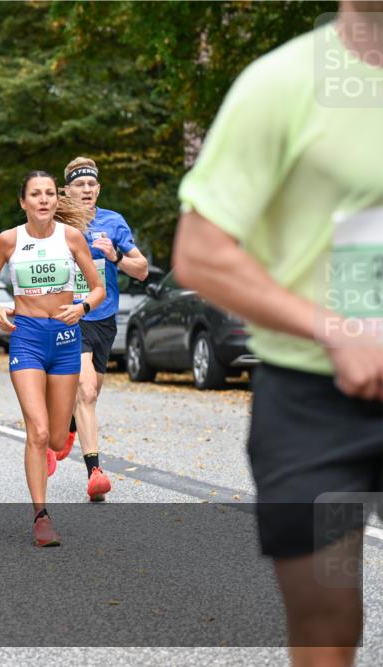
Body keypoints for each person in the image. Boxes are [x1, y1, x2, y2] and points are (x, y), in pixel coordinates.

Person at [173, 3, 382, 664]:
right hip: (313, 401)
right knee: (328, 617)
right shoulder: (281, 84)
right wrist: (336, 330)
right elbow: (200, 254)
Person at [0, 171, 104, 546]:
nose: (44, 199)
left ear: (56, 200)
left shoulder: (72, 237)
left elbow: (97, 288)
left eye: (49, 193)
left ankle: (58, 441)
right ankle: (41, 517)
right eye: (35, 194)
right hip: (27, 338)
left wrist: (82, 307)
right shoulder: (9, 240)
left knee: (57, 437)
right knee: (39, 431)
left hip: (65, 338)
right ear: (24, 202)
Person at [58, 157, 149, 501]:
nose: (86, 190)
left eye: (91, 184)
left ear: (98, 189)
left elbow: (141, 270)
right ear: (67, 190)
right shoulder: (55, 222)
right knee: (86, 390)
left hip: (104, 318)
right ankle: (95, 472)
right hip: (70, 316)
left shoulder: (113, 222)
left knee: (92, 391)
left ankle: (69, 426)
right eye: (79, 184)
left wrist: (115, 257)